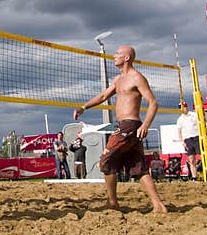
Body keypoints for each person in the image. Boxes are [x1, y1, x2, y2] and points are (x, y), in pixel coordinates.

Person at [73, 45, 167, 213]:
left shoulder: (137, 78)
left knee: (105, 161)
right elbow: (103, 96)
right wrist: (83, 107)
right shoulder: (118, 80)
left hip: (130, 125)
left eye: (117, 54)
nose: (114, 56)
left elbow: (153, 102)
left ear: (126, 58)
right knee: (138, 168)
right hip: (124, 125)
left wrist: (146, 125)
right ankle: (158, 205)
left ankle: (113, 203)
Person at [175, 100, 200, 180]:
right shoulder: (180, 119)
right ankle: (194, 177)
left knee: (202, 156)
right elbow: (179, 132)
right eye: (181, 108)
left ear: (187, 107)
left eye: (185, 107)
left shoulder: (194, 115)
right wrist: (182, 142)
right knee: (191, 160)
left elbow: (200, 124)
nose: (184, 109)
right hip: (188, 140)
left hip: (197, 137)